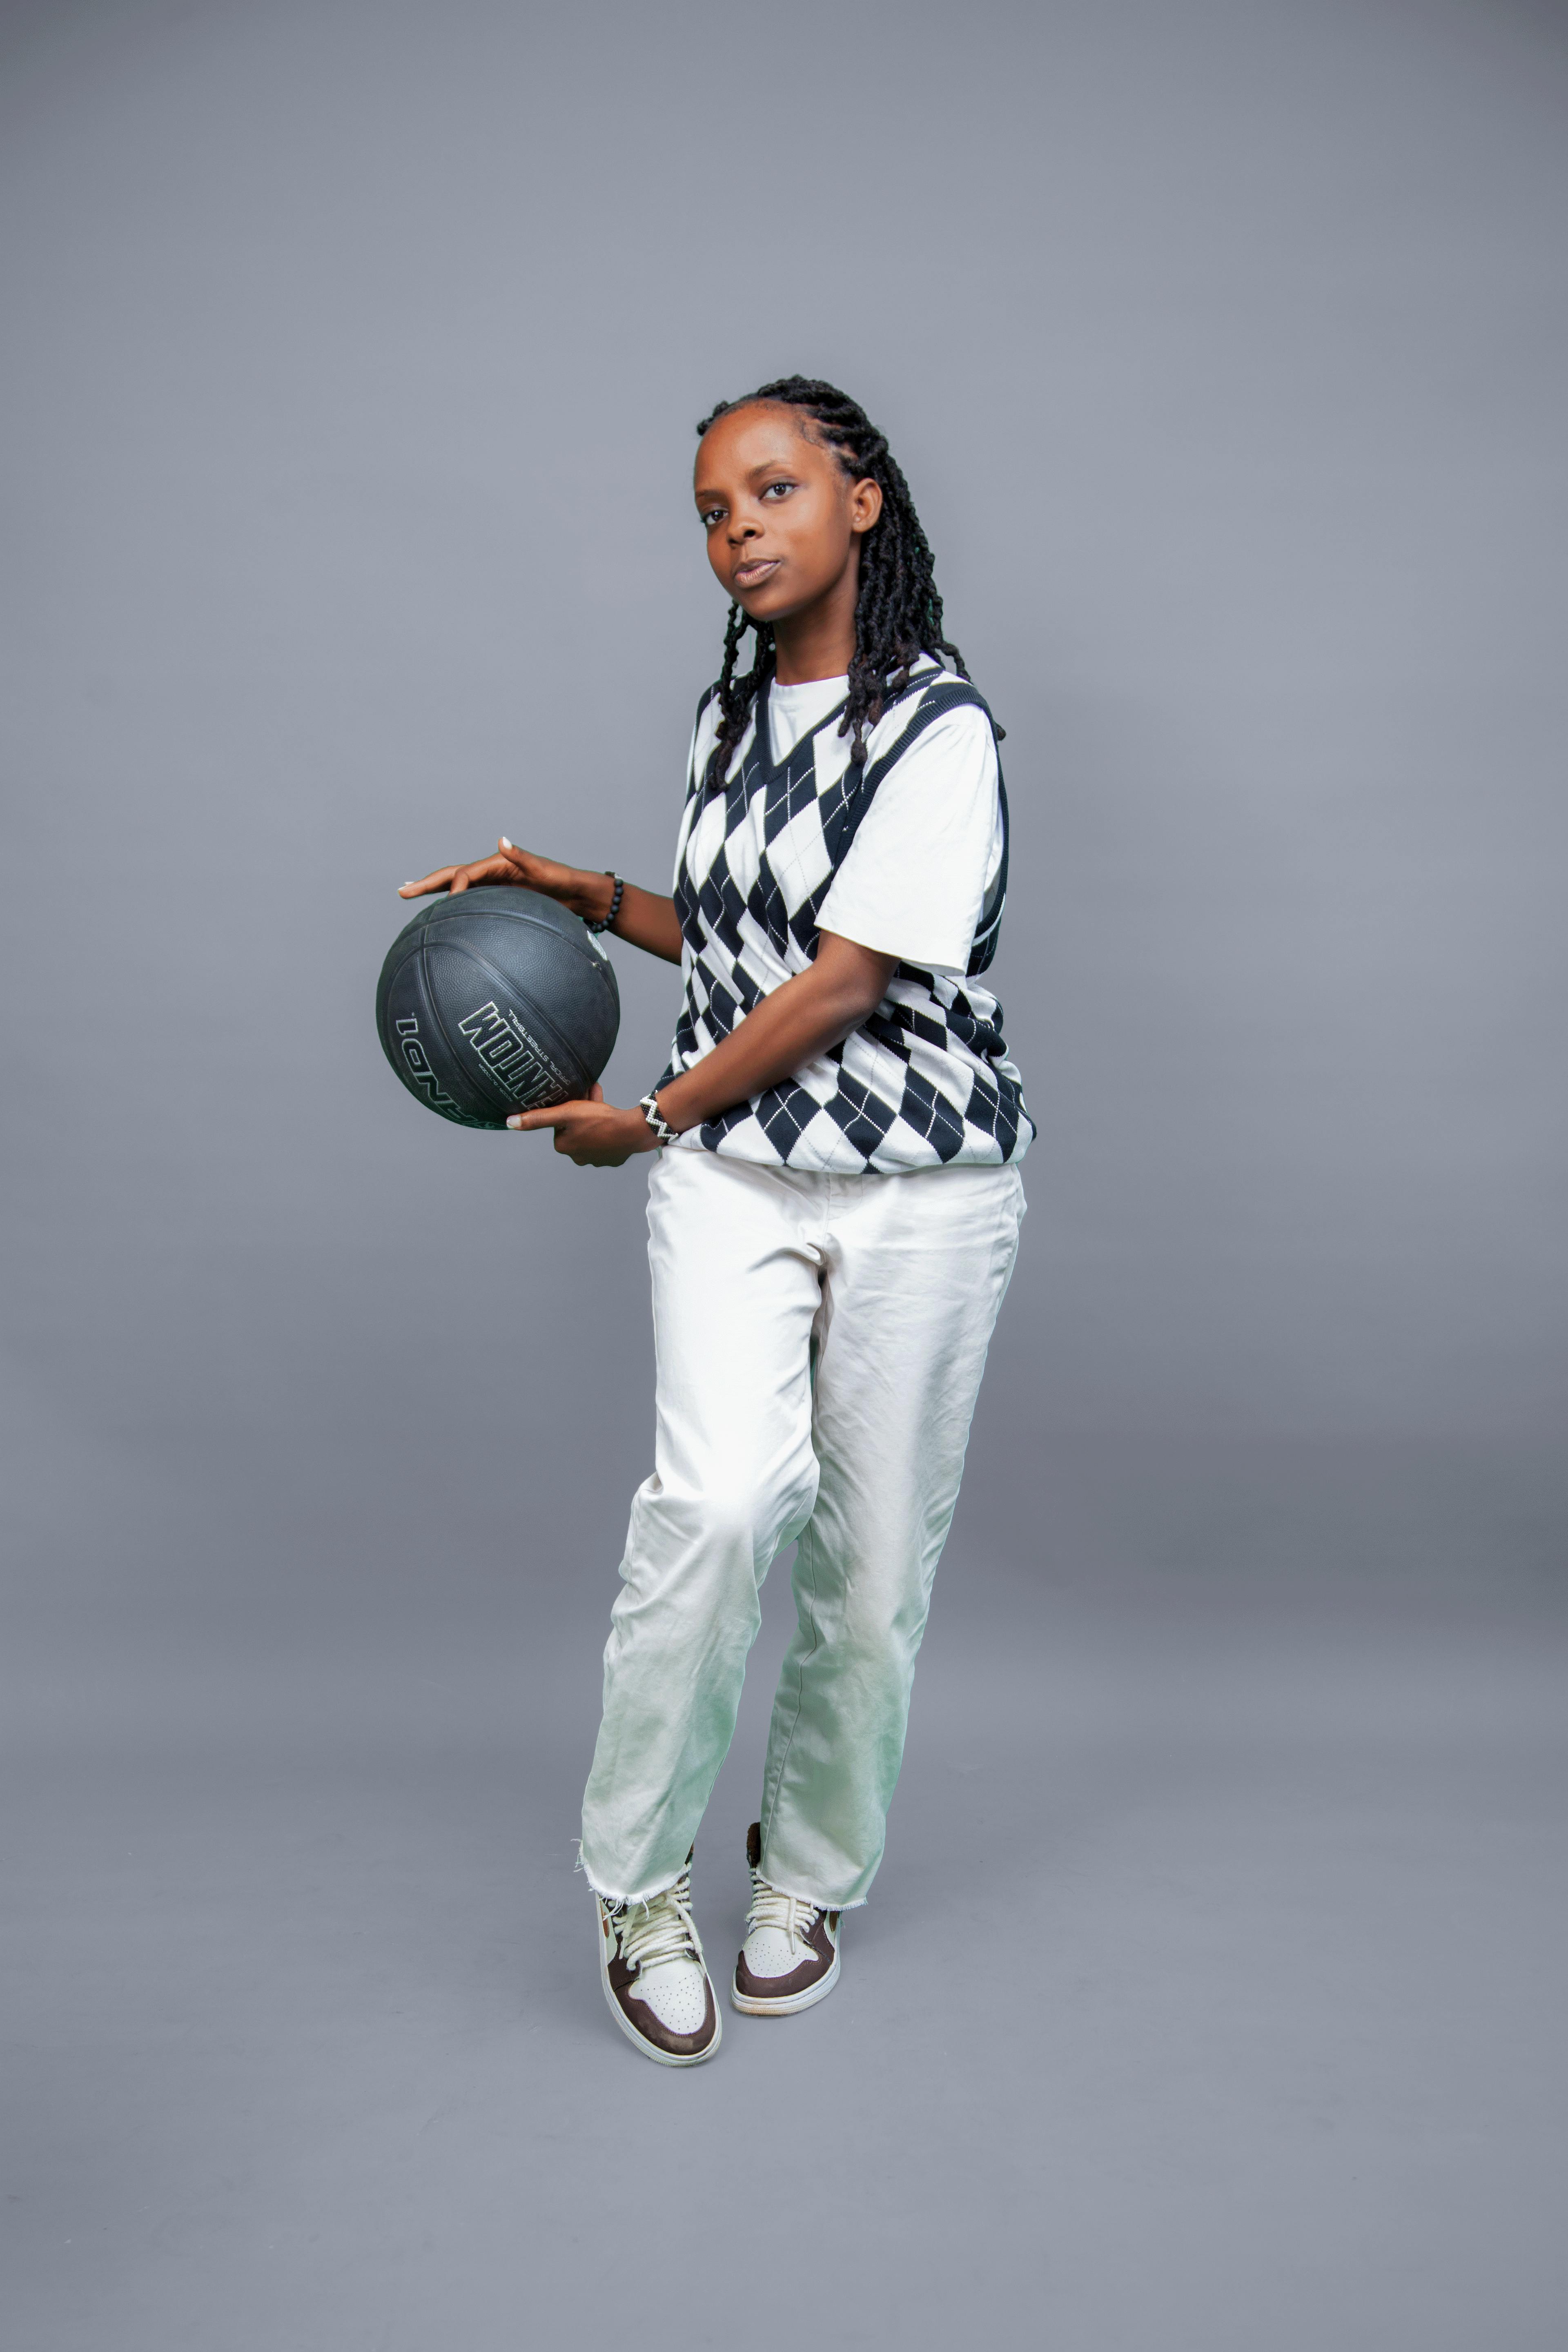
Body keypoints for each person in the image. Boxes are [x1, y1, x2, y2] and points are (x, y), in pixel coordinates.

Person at [399, 377, 1032, 2067]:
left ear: (863, 504)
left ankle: (807, 1876)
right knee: (718, 1508)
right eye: (709, 509)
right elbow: (748, 944)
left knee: (873, 1565)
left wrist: (652, 1112)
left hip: (926, 1184)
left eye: (770, 490)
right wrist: (578, 896)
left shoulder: (941, 730)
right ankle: (634, 1885)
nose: (736, 527)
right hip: (738, 1172)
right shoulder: (729, 713)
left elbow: (841, 985)